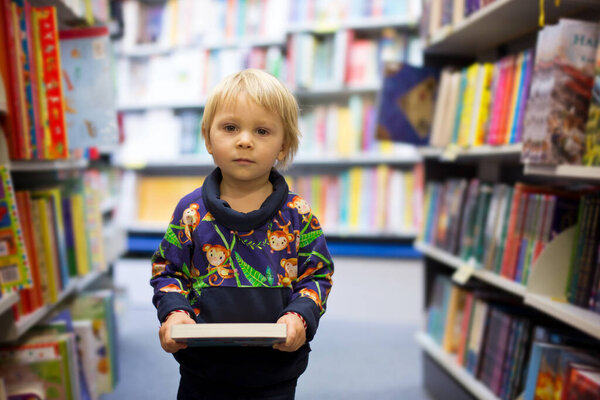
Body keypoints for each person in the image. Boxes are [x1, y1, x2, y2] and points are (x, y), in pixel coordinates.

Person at [150, 69, 334, 400]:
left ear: (284, 145)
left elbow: (316, 276)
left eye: (262, 131)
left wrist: (300, 317)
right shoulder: (190, 212)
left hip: (275, 371)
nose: (244, 139)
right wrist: (174, 312)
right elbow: (167, 272)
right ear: (208, 138)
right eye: (231, 127)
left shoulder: (298, 215)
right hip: (202, 369)